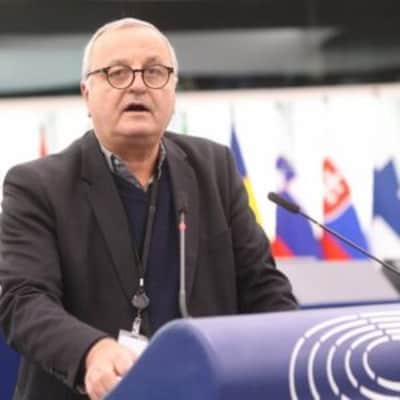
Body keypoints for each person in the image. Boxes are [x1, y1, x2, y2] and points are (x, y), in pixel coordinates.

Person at [0, 17, 297, 400]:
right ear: (87, 93)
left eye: (154, 72)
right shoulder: (36, 186)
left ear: (173, 88)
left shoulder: (214, 168)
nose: (138, 85)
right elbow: (23, 300)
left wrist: (297, 347)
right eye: (117, 72)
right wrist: (91, 352)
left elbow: (263, 287)